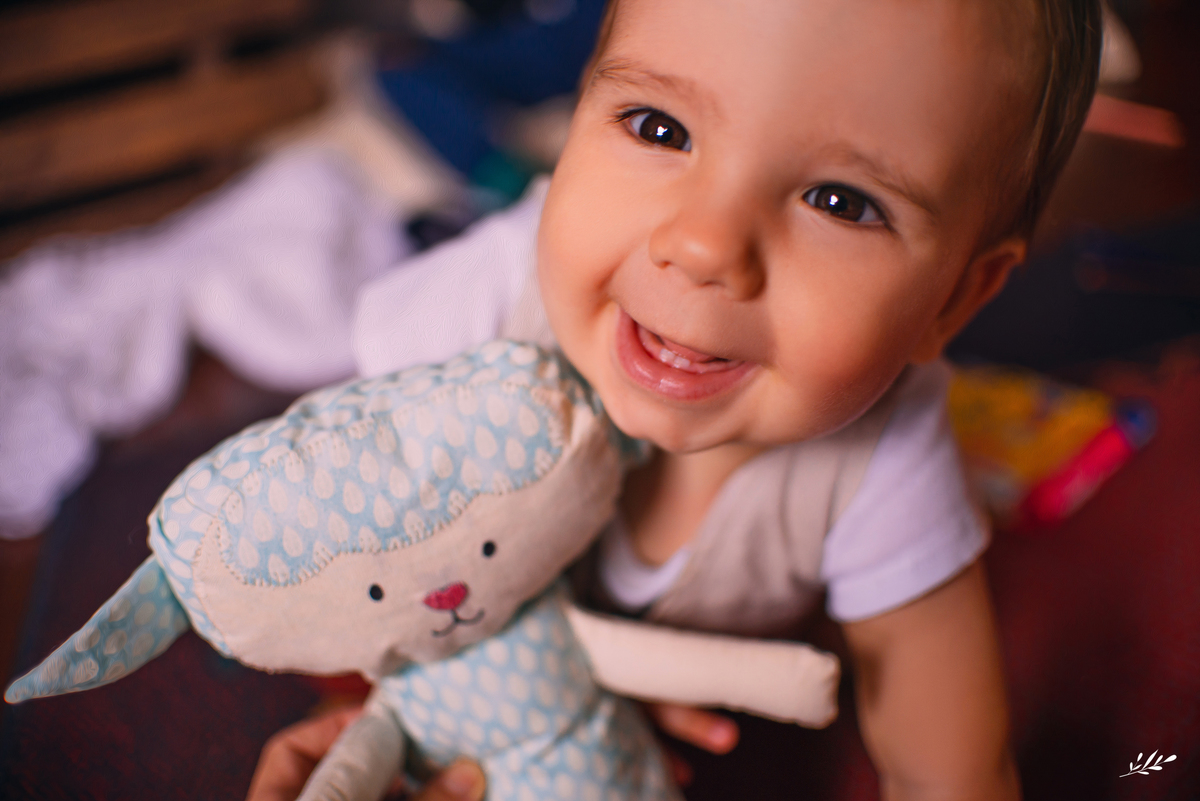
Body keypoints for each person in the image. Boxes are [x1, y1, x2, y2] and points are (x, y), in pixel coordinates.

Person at [252, 0, 1102, 798]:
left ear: (955, 298)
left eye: (840, 201)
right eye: (659, 128)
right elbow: (333, 534)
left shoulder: (886, 453)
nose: (703, 244)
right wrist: (500, 686)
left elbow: (950, 767)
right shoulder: (487, 306)